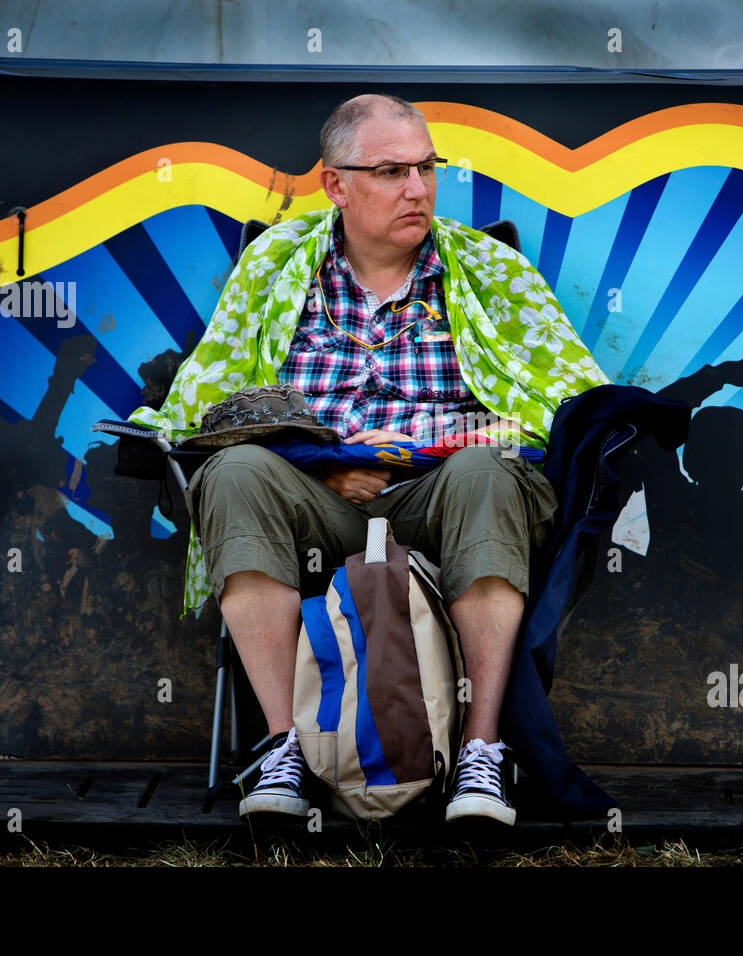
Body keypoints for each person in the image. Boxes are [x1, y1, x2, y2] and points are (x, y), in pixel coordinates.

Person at [129, 93, 608, 825]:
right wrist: (319, 469)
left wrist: (461, 444)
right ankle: (283, 749)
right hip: (314, 502)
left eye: (425, 168)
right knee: (232, 473)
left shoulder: (487, 270)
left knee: (486, 474)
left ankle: (482, 757)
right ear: (336, 184)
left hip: (441, 500)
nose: (417, 189)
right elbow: (207, 407)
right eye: (390, 171)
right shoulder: (277, 266)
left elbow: (572, 403)